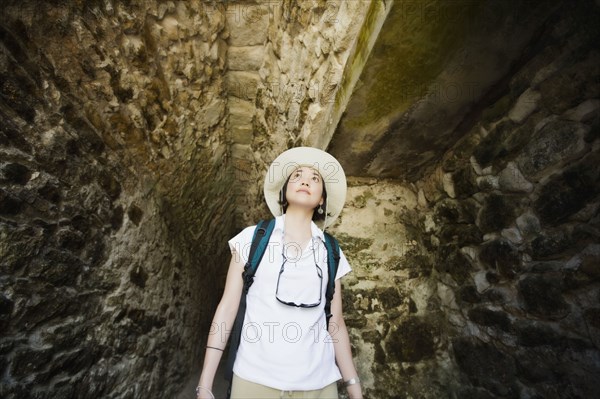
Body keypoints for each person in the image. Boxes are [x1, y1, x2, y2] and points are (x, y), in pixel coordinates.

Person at [195, 147, 363, 399]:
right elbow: (227, 308)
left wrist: (354, 389)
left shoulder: (331, 251)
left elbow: (335, 322)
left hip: (319, 385)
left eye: (315, 178)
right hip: (254, 380)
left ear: (321, 201)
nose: (306, 180)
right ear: (283, 192)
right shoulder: (252, 239)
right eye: (297, 175)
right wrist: (205, 384)